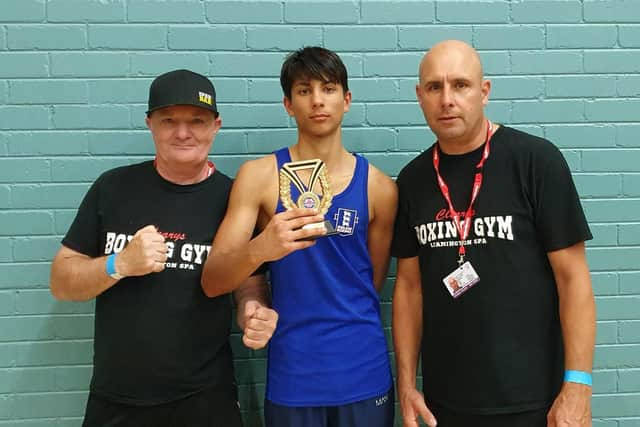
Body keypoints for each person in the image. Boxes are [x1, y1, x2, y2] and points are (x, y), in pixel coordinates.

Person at [49, 69, 278, 427]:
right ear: (149, 123)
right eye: (169, 120)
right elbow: (61, 281)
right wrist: (118, 264)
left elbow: (250, 284)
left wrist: (253, 311)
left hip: (205, 397)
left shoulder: (234, 198)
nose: (183, 133)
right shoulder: (113, 188)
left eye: (197, 121)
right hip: (117, 398)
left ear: (216, 125)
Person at [392, 40, 595, 427]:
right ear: (420, 96)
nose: (447, 99)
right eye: (434, 87)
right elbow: (408, 288)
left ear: (484, 92)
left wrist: (578, 385)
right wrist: (406, 383)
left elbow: (574, 280)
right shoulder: (414, 180)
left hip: (537, 401)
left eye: (461, 85)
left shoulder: (536, 161)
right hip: (444, 404)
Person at [201, 46, 398, 427]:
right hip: (294, 375)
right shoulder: (258, 177)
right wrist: (262, 247)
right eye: (304, 90)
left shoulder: (379, 188)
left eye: (328, 88)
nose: (318, 100)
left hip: (363, 370)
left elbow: (369, 283)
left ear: (347, 100)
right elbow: (213, 281)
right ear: (289, 104)